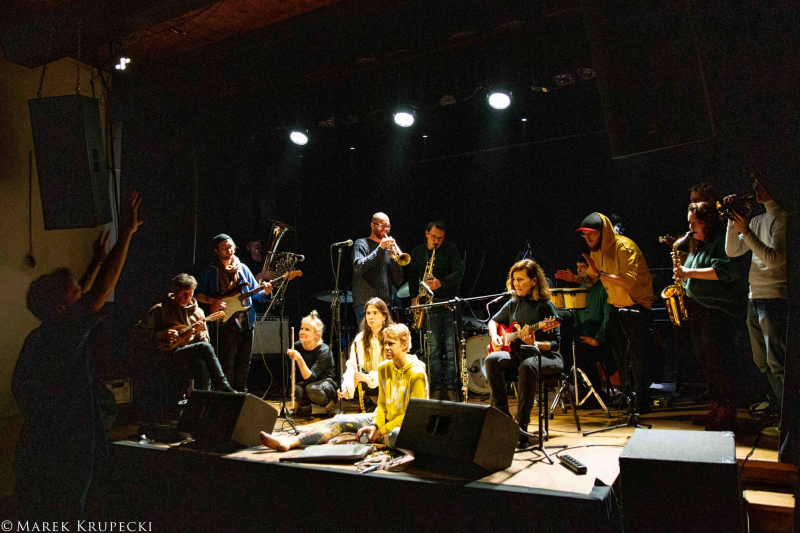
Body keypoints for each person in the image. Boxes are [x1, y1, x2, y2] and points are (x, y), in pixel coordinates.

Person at [12, 191, 143, 523]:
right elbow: (97, 294)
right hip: (64, 447)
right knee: (67, 512)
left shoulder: (44, 334)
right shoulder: (62, 335)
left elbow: (80, 293)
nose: (81, 292)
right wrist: (125, 234)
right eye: (74, 291)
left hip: (38, 444)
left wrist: (96, 261)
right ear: (61, 307)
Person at [259, 323, 427, 450]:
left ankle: (376, 439)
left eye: (391, 344)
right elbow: (382, 405)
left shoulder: (416, 373)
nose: (386, 347)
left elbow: (412, 416)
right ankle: (290, 442)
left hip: (404, 426)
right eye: (385, 343)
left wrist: (381, 430)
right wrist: (376, 426)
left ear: (404, 345)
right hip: (383, 422)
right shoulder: (384, 367)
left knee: (396, 436)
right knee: (339, 420)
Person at [556, 212, 654, 413]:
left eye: (592, 234)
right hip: (618, 305)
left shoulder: (624, 247)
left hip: (636, 305)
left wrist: (599, 274)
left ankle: (642, 400)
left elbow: (629, 280)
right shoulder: (596, 252)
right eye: (585, 236)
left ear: (604, 232)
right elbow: (594, 280)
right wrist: (576, 279)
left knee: (637, 356)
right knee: (621, 355)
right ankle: (628, 397)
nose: (588, 238)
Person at [674, 202, 747, 431]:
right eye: (690, 223)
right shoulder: (699, 245)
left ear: (709, 222)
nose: (692, 227)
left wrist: (688, 272)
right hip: (698, 309)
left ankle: (727, 411)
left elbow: (725, 271)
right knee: (705, 361)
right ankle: (715, 406)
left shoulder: (719, 242)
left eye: (697, 222)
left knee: (719, 361)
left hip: (717, 311)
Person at [725, 178, 788, 436]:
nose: (754, 187)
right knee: (762, 362)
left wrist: (747, 232)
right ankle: (784, 417)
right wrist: (733, 222)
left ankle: (791, 422)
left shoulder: (784, 218)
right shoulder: (761, 219)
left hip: (774, 298)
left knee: (778, 364)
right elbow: (732, 250)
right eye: (752, 182)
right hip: (755, 296)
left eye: (760, 182)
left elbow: (774, 259)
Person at [486, 259, 562, 448]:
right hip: (518, 355)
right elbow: (493, 322)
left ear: (534, 281)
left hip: (545, 357)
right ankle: (503, 417)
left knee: (527, 366)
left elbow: (555, 344)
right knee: (492, 359)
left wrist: (534, 343)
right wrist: (495, 336)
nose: (516, 284)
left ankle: (522, 426)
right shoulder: (513, 303)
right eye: (514, 280)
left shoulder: (545, 307)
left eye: (520, 280)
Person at [133, 273, 234, 395]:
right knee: (204, 349)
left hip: (188, 355)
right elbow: (137, 334)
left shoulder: (198, 313)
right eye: (183, 293)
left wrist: (199, 331)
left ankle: (202, 402)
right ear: (174, 291)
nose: (187, 297)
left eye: (190, 293)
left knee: (201, 362)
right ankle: (223, 386)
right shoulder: (160, 309)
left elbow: (205, 343)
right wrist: (160, 335)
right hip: (166, 355)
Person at [195, 234, 273, 392]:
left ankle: (241, 393)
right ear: (216, 251)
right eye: (224, 247)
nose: (229, 250)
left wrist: (266, 292)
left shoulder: (242, 268)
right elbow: (197, 294)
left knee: (245, 361)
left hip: (246, 320)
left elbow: (255, 295)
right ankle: (228, 395)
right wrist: (213, 301)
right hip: (225, 322)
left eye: (230, 246)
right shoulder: (212, 271)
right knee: (227, 361)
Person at [408, 221, 463, 401]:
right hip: (428, 306)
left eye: (440, 238)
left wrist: (441, 283)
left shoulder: (451, 249)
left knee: (450, 348)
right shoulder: (417, 252)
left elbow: (459, 273)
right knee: (433, 351)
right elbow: (413, 277)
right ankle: (437, 387)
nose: (436, 241)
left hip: (447, 304)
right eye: (433, 237)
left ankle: (452, 387)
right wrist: (414, 299)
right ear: (426, 234)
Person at [572, 256, 613, 403]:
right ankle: (582, 390)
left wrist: (597, 339)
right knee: (568, 350)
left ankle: (595, 393)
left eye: (582, 267)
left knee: (583, 353)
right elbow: (577, 318)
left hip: (601, 339)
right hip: (585, 335)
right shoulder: (581, 290)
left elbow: (608, 319)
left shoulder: (604, 288)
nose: (578, 271)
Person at [340, 297, 393, 410]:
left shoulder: (392, 336)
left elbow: (392, 368)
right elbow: (352, 365)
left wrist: (369, 377)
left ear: (384, 316)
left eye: (375, 313)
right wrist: (346, 387)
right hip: (373, 381)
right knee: (354, 377)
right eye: (368, 313)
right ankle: (372, 402)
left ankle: (379, 403)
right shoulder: (361, 338)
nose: (371, 317)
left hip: (390, 380)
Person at [352, 212, 405, 326]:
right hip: (364, 303)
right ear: (372, 225)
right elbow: (359, 267)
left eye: (388, 226)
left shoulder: (387, 248)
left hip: (385, 304)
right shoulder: (361, 244)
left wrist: (394, 260)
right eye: (382, 225)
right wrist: (380, 248)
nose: (386, 229)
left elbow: (398, 280)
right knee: (368, 342)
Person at [288, 310, 339, 417]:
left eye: (307, 329)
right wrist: (297, 400)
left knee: (311, 389)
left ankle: (330, 406)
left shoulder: (324, 350)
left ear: (316, 335)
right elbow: (296, 376)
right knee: (296, 388)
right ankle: (305, 408)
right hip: (310, 383)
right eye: (301, 328)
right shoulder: (297, 346)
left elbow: (311, 377)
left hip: (327, 385)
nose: (302, 331)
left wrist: (300, 359)